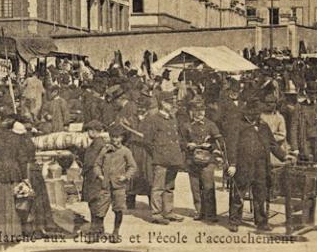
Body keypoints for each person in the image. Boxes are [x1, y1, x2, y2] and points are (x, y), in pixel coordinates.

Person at [226, 99, 294, 233]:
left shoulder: (264, 126)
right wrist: (232, 164)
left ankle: (261, 222)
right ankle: (234, 221)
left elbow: (273, 144)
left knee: (261, 194)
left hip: (261, 166)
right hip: (243, 166)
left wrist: (284, 156)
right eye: (252, 114)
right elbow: (231, 146)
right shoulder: (237, 125)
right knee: (239, 194)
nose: (255, 116)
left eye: (257, 114)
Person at [139, 95, 186, 225]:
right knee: (158, 187)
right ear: (163, 103)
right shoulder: (154, 119)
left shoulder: (172, 119)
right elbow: (147, 141)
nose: (173, 105)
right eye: (170, 103)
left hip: (174, 158)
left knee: (169, 187)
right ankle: (156, 214)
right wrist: (157, 153)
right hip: (160, 159)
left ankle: (168, 211)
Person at [182, 95, 225, 224]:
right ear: (192, 112)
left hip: (208, 160)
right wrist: (187, 145)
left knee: (208, 186)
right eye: (196, 110)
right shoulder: (186, 125)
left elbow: (221, 142)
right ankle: (199, 211)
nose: (199, 113)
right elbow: (180, 141)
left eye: (202, 110)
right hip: (192, 160)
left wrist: (211, 146)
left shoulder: (211, 125)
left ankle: (211, 214)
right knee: (195, 187)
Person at [94, 125, 137, 243]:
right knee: (100, 209)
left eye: (117, 137)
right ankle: (98, 232)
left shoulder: (126, 151)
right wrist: (100, 175)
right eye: (113, 137)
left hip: (119, 186)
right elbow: (97, 164)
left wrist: (126, 176)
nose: (115, 140)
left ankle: (115, 232)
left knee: (118, 209)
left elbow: (132, 166)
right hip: (105, 185)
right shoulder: (105, 150)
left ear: (122, 138)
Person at [0, 116, 25, 249]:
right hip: (13, 172)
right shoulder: (17, 139)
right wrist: (25, 177)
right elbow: (22, 159)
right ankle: (12, 235)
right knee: (12, 205)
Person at [82, 120, 108, 237]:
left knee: (95, 203)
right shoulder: (99, 143)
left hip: (93, 177)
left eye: (88, 130)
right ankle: (98, 229)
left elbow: (90, 162)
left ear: (93, 131)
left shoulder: (97, 144)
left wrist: (83, 170)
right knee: (96, 203)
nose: (88, 133)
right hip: (94, 177)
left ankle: (95, 231)